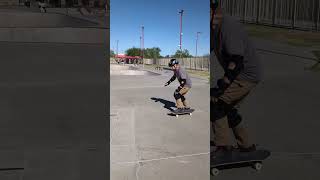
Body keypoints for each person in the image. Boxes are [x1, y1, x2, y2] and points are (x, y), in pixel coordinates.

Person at [210, 0, 262, 155]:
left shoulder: (228, 26)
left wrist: (223, 85)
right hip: (241, 74)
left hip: (245, 75)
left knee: (216, 103)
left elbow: (236, 61)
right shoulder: (214, 27)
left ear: (213, 10)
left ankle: (223, 147)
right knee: (228, 108)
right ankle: (246, 145)